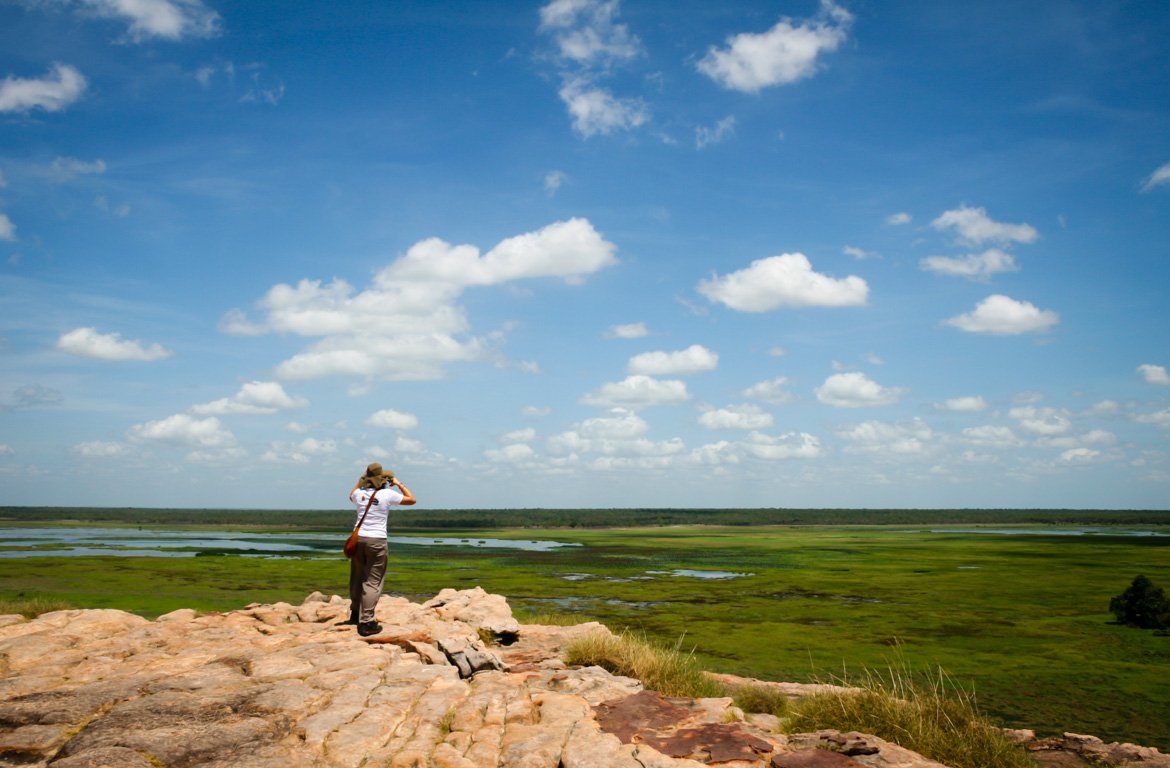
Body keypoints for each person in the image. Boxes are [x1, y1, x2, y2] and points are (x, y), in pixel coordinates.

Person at [344, 462, 416, 636]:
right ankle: (366, 622)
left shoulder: (359, 494)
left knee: (357, 577)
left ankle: (355, 613)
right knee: (373, 582)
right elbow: (411, 500)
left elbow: (350, 494)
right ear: (383, 479)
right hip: (377, 540)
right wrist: (398, 483)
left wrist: (362, 479)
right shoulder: (387, 494)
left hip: (359, 539)